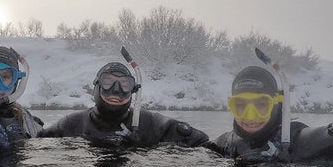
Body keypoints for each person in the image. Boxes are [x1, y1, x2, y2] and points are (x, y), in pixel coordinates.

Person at [39, 61, 210, 148]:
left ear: (133, 90)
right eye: (108, 83)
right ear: (97, 87)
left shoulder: (149, 124)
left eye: (124, 84)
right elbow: (37, 144)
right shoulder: (73, 123)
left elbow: (202, 144)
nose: (116, 91)